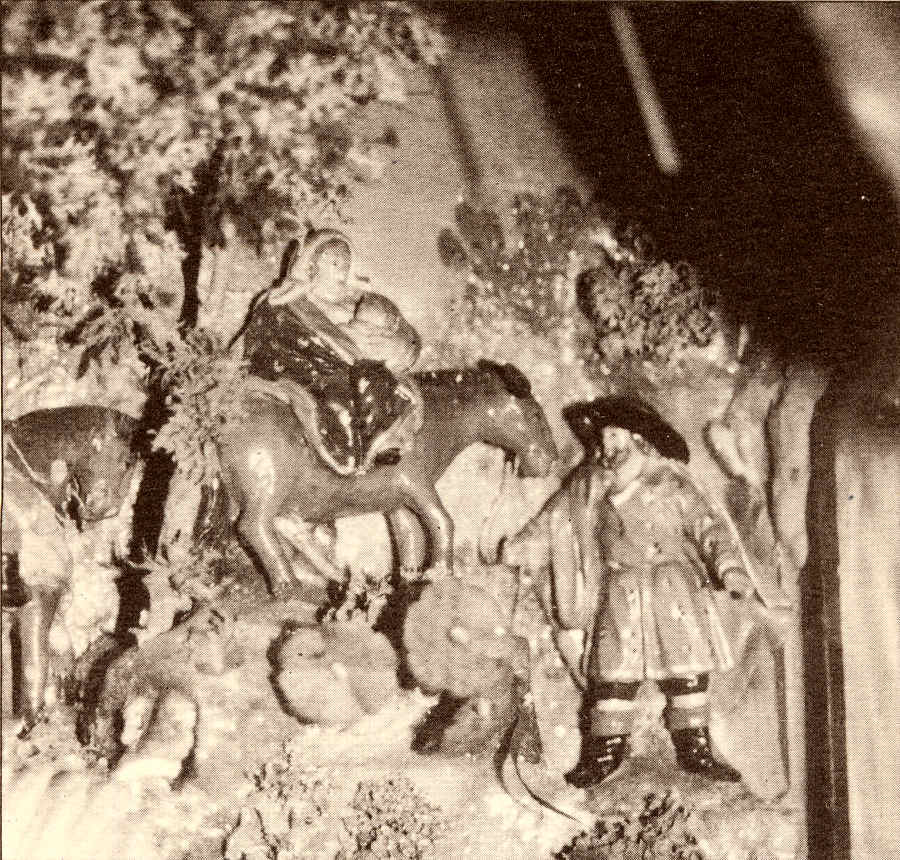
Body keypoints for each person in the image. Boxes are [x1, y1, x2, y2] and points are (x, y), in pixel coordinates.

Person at [508, 396, 762, 788]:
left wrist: (729, 568)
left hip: (671, 590)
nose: (608, 445)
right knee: (612, 675)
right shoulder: (590, 485)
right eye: (604, 437)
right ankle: (604, 752)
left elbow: (708, 527)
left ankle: (695, 748)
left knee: (687, 672)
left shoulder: (671, 485)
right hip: (620, 590)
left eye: (616, 435)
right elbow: (555, 519)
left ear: (639, 438)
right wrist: (522, 546)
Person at [242, 229, 423, 475]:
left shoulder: (357, 300)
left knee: (374, 381)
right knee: (343, 395)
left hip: (353, 366)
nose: (342, 272)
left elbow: (404, 336)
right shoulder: (290, 300)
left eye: (346, 265)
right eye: (335, 263)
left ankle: (379, 443)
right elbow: (270, 331)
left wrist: (387, 343)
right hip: (307, 367)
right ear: (313, 263)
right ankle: (362, 449)